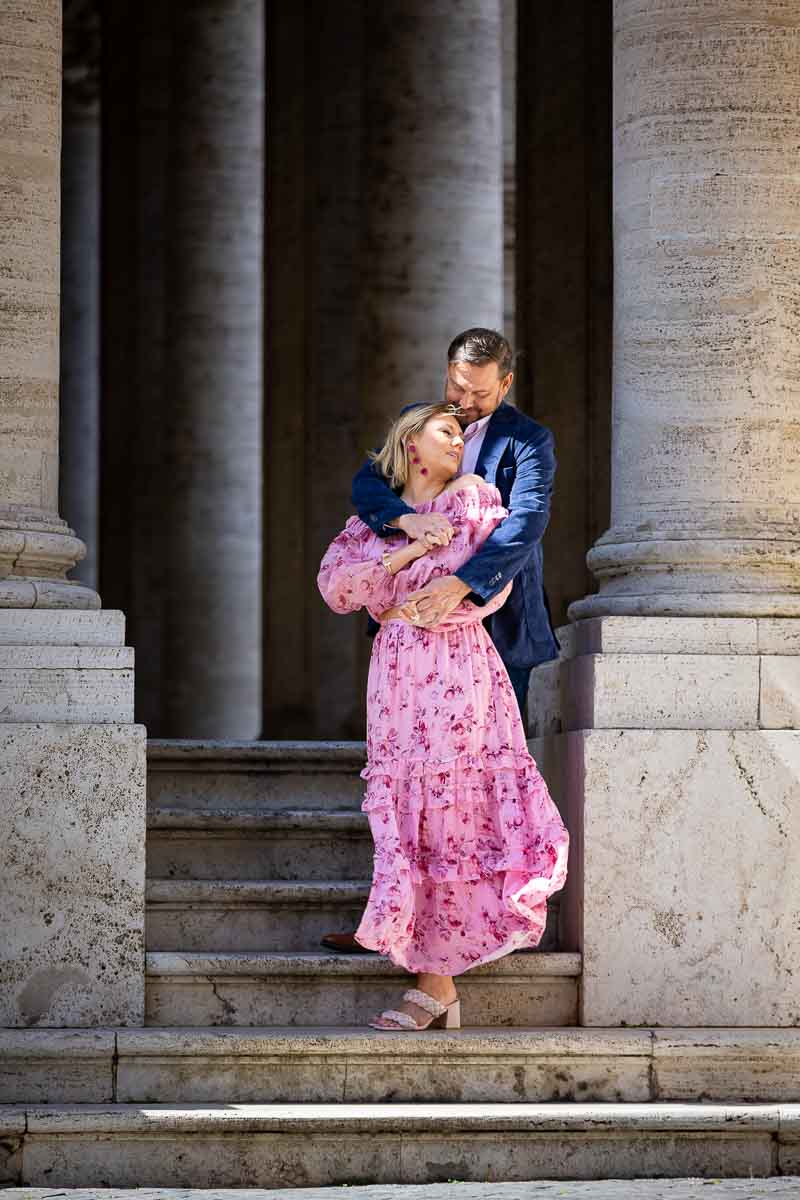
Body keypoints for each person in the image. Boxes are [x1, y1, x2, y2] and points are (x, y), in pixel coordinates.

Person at [317, 402, 569, 1031]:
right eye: (446, 432)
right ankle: (432, 977)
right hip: (396, 676)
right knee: (406, 816)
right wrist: (402, 553)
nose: (460, 441)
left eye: (462, 434)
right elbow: (338, 590)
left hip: (456, 667)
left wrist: (441, 600)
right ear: (410, 444)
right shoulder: (372, 523)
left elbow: (500, 581)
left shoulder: (474, 502)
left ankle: (436, 983)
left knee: (449, 815)